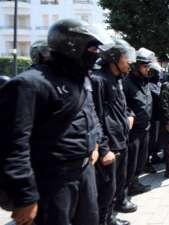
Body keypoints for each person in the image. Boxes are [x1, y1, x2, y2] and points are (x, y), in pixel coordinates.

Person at [0, 19, 113, 225]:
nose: (97, 53)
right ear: (73, 46)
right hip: (52, 180)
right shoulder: (29, 84)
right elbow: (13, 145)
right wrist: (25, 196)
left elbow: (90, 116)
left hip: (85, 171)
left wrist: (94, 143)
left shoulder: (81, 80)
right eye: (93, 47)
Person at [91, 40, 137, 225]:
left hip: (121, 140)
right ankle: (104, 220)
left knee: (115, 184)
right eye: (126, 58)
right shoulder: (98, 80)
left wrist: (130, 115)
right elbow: (96, 117)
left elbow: (123, 106)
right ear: (114, 59)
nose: (129, 62)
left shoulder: (118, 79)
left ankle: (110, 217)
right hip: (109, 145)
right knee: (106, 188)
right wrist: (103, 149)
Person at [123, 47, 154, 196]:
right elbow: (123, 106)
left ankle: (134, 184)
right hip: (133, 131)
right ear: (136, 66)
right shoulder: (126, 83)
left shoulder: (144, 82)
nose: (147, 69)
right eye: (145, 66)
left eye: (148, 66)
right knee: (131, 162)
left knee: (141, 160)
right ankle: (125, 191)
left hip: (145, 127)